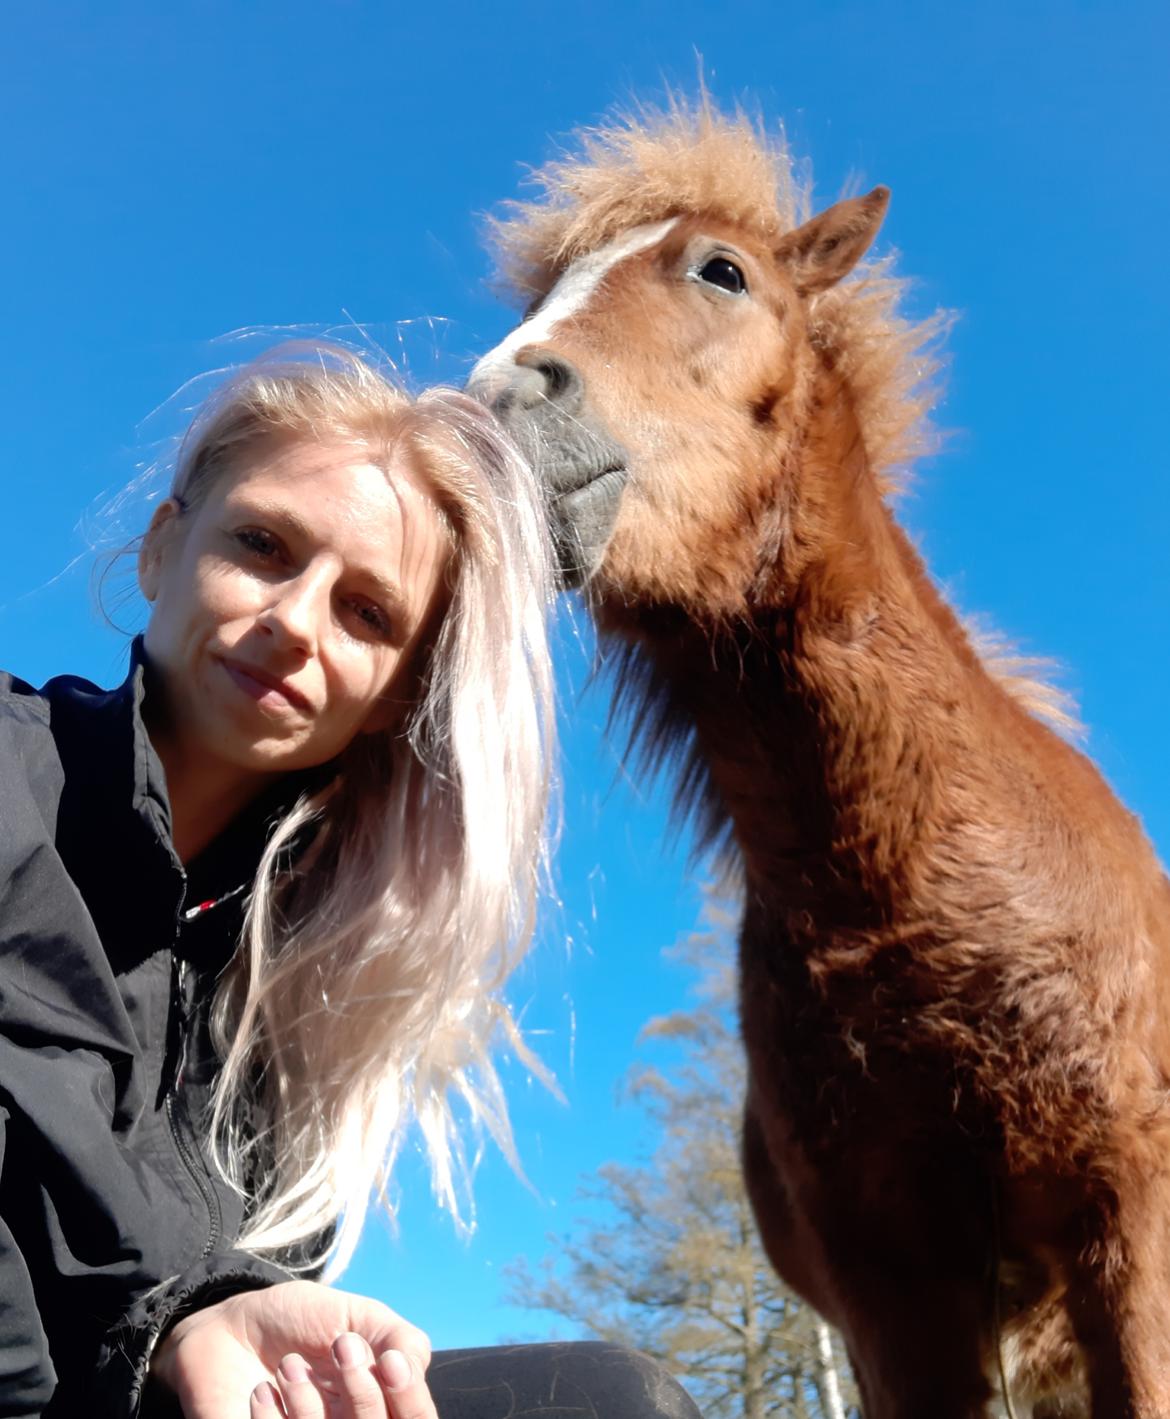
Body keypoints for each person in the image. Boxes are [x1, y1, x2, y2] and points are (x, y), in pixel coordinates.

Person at [0, 344, 702, 1419]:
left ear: (394, 698)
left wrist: (228, 1327)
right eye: (263, 545)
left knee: (608, 1398)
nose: (294, 620)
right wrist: (172, 1328)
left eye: (369, 612)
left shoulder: (310, 1004)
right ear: (161, 547)